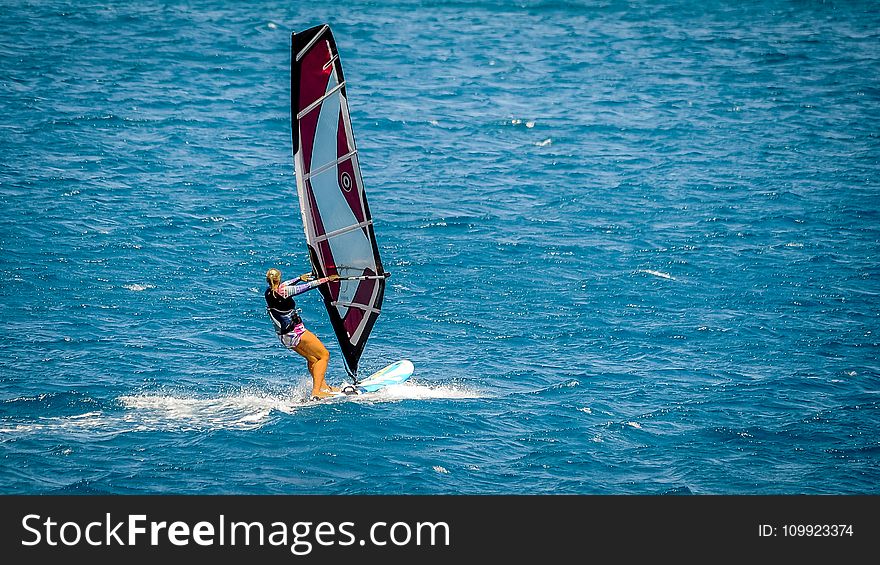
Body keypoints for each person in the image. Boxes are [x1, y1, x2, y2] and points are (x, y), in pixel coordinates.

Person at [265, 268, 340, 400]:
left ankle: (323, 387)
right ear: (279, 278)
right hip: (296, 332)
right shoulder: (285, 291)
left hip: (285, 336)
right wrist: (328, 279)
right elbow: (308, 286)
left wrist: (299, 277)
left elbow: (286, 284)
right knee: (324, 355)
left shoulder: (269, 292)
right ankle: (316, 392)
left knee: (312, 359)